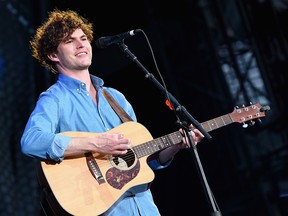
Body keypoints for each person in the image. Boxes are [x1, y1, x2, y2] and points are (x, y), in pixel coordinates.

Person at [20, 9, 204, 216]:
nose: (81, 44)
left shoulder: (115, 98)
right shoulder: (54, 99)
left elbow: (141, 162)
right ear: (53, 55)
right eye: (70, 41)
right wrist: (97, 144)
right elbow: (31, 141)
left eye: (83, 38)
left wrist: (175, 146)